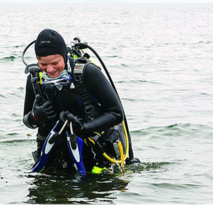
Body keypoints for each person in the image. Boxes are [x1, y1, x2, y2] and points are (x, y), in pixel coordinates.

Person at [23, 29, 136, 174]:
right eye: (43, 64)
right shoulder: (35, 79)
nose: (49, 70)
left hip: (94, 158)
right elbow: (27, 121)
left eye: (55, 63)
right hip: (56, 160)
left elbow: (117, 113)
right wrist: (37, 116)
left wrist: (84, 127)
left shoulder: (87, 73)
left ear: (64, 55)